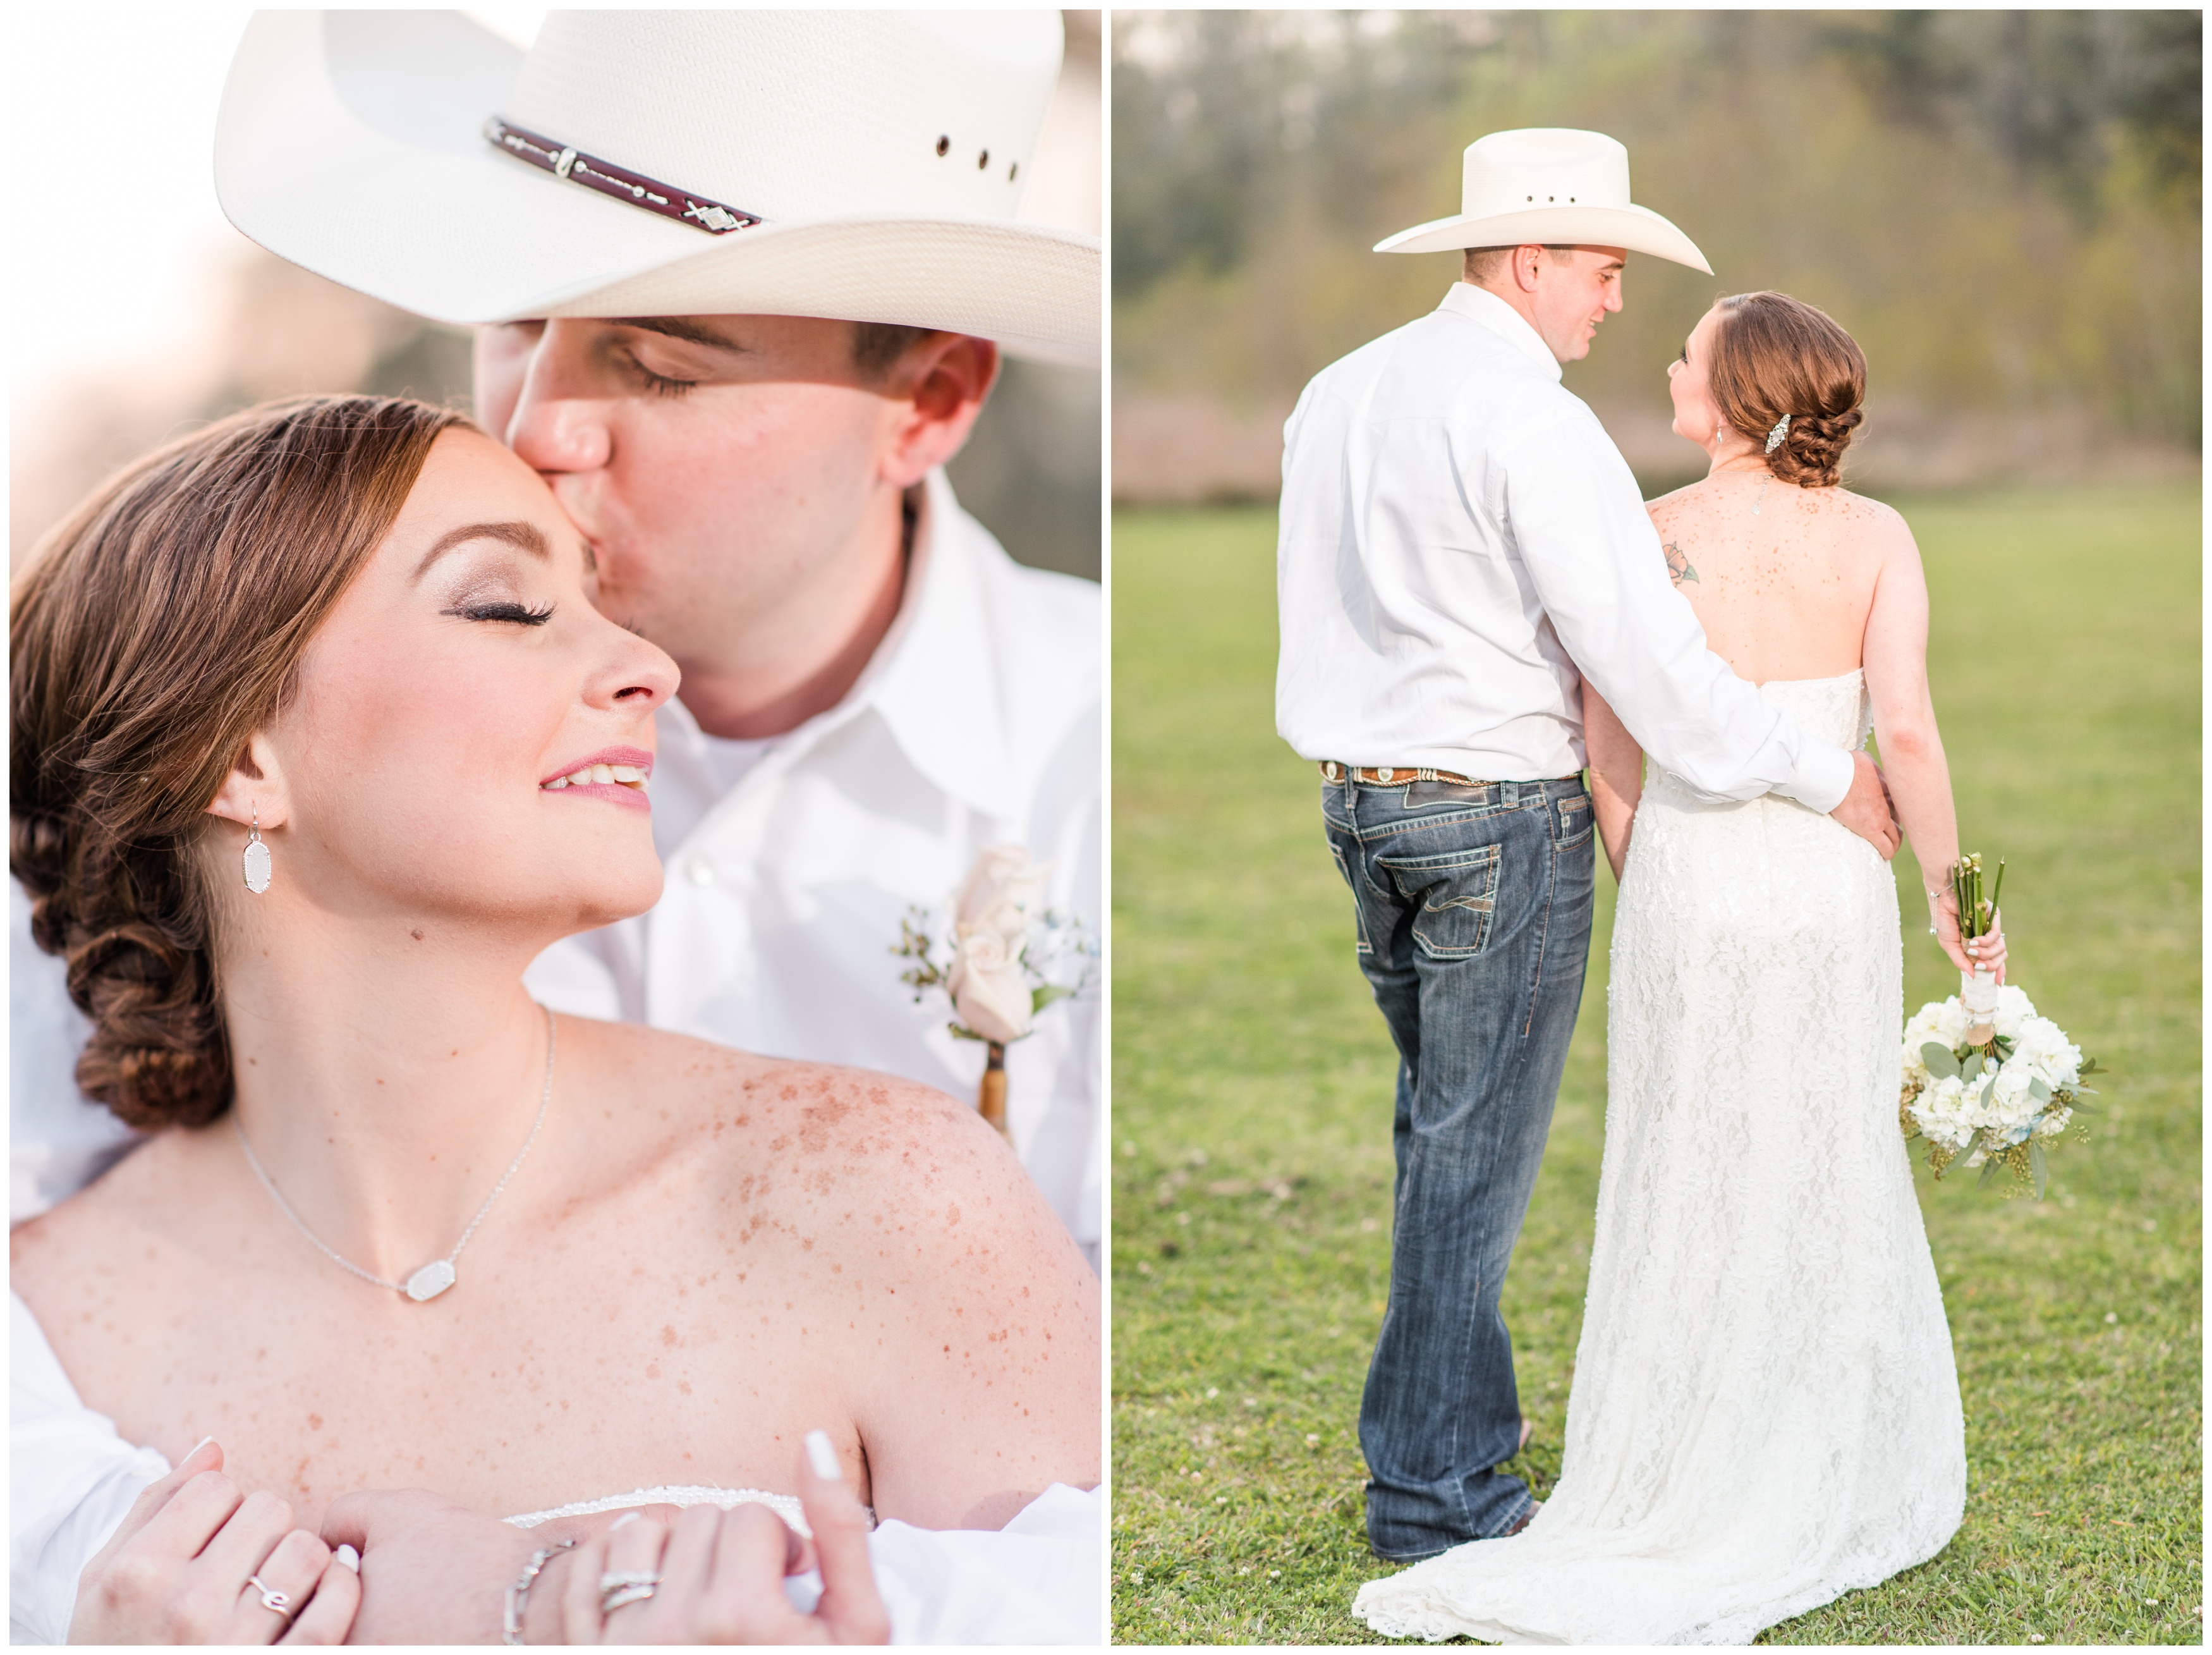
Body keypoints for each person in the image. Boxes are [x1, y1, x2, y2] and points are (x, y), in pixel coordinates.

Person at [13, 8, 1103, 1262]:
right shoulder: (300, 734)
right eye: (518, 324)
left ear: (927, 402)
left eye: (655, 366)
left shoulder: (1091, 753)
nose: (536, 427)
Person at [8, 396, 1100, 1644]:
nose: (650, 670)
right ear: (240, 759)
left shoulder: (881, 1197)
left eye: (606, 605)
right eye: (507, 606)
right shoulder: (46, 1333)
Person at [1274, 126, 1929, 1564]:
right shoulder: (1535, 423)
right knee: (1472, 1153)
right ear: (1529, 259)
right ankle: (1437, 1488)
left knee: (1439, 1133)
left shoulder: (1337, 391)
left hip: (1359, 802)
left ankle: (1452, 1442)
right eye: (1601, 268)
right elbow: (1652, 674)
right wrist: (1823, 772)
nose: (1615, 302)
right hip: (1498, 817)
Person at [1351, 292, 2002, 1642]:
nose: (1665, 363)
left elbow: (1610, 743)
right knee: (1822, 1154)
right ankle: (1806, 1440)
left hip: (1691, 884)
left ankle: (1681, 1448)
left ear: (1735, 395)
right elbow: (1911, 733)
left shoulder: (1647, 533)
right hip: (1829, 885)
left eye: (1689, 355)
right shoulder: (1875, 538)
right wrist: (1952, 897)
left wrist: (1650, 876)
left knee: (1681, 1163)